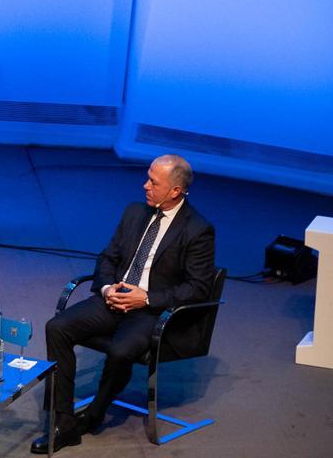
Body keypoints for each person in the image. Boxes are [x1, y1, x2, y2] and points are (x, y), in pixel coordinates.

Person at [32, 154, 216, 454]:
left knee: (121, 351)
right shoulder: (134, 212)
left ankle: (94, 414)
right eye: (147, 177)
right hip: (113, 298)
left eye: (153, 182)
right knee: (57, 327)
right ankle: (63, 423)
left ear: (175, 191)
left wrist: (145, 297)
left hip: (152, 311)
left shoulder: (197, 230)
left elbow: (198, 288)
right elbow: (108, 257)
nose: (145, 186)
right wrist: (106, 288)